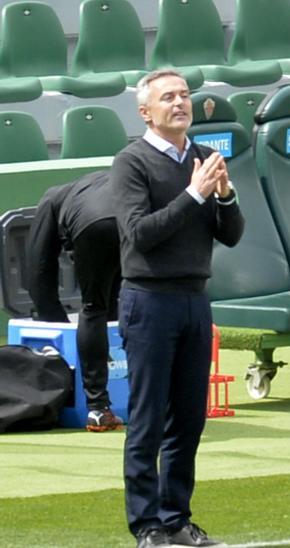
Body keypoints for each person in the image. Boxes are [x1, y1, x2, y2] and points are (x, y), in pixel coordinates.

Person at [113, 69, 244, 548]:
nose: (181, 103)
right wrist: (195, 194)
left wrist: (224, 195)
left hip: (194, 298)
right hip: (149, 300)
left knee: (189, 418)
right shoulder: (132, 163)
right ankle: (146, 524)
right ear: (146, 111)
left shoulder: (205, 159)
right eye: (168, 97)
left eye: (185, 95)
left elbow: (230, 233)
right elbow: (141, 233)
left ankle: (176, 518)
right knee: (148, 417)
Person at [26, 171, 123, 432]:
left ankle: (98, 408)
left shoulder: (52, 198)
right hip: (139, 217)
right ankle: (160, 399)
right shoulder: (103, 182)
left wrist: (57, 325)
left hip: (93, 224)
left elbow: (38, 273)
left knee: (93, 307)